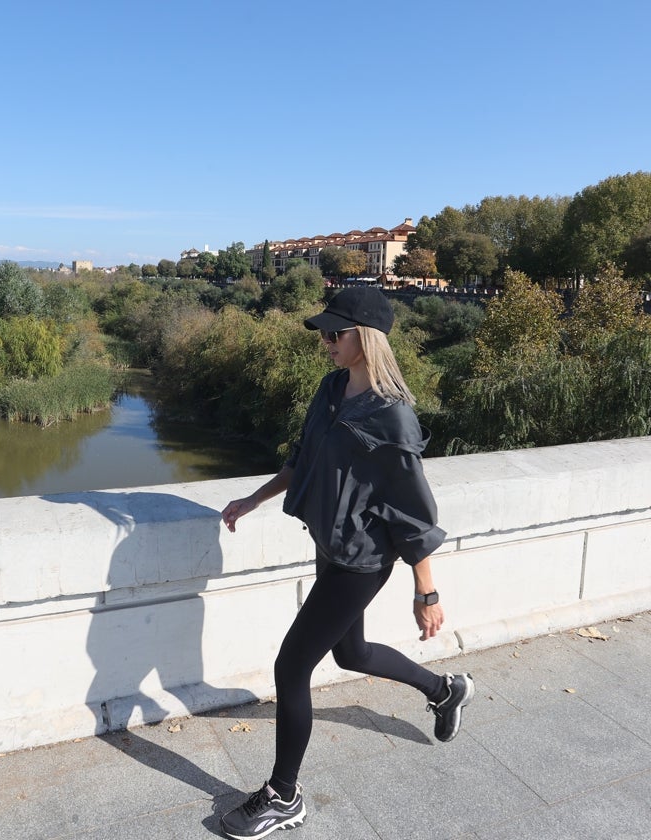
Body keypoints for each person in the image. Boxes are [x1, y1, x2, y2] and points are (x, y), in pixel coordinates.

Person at [218, 287, 474, 840]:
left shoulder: (391, 417)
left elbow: (414, 513)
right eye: (324, 333)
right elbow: (302, 459)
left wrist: (425, 592)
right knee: (351, 652)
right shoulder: (331, 390)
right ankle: (444, 690)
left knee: (292, 666)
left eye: (337, 334)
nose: (326, 342)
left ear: (368, 340)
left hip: (363, 560)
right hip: (330, 545)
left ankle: (284, 796)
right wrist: (253, 499)